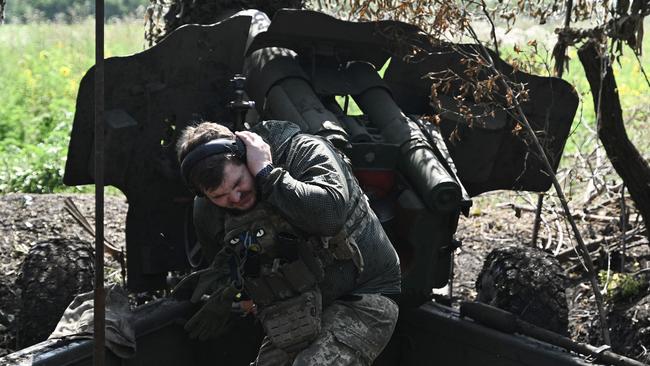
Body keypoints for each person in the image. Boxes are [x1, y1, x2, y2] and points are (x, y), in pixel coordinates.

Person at [176, 119, 401, 366]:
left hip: (365, 296)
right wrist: (227, 293)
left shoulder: (305, 152)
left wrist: (267, 174)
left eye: (238, 183)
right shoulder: (208, 211)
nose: (235, 198)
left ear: (246, 156)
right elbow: (233, 260)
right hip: (299, 310)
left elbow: (329, 216)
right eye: (219, 196)